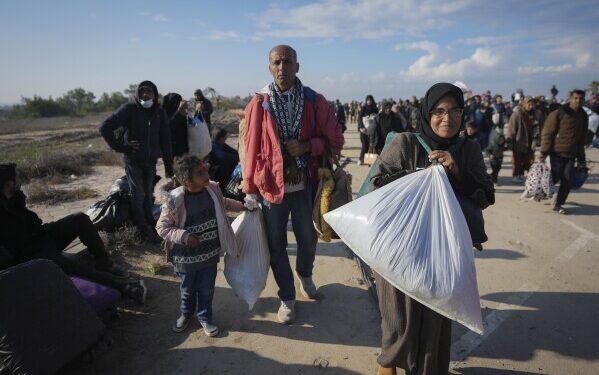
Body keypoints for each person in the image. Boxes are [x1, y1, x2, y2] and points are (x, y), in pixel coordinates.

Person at [369, 83, 494, 375]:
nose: (446, 117)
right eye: (438, 111)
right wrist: (416, 176)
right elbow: (375, 185)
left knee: (435, 321)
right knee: (399, 320)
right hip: (400, 247)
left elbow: (486, 196)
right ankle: (387, 365)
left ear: (463, 115)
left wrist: (456, 173)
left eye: (455, 111)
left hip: (444, 251)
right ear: (426, 113)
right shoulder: (405, 143)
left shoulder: (469, 149)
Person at [242, 45, 344, 324]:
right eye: (276, 62)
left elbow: (336, 141)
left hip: (305, 186)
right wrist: (249, 187)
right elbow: (249, 148)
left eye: (288, 62)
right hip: (272, 189)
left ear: (297, 67)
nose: (282, 68)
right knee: (275, 245)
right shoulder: (258, 104)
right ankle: (287, 296)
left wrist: (308, 146)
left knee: (308, 239)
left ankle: (305, 275)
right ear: (269, 67)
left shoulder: (315, 101)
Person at [0, 163, 147, 303]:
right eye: (17, 177)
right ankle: (124, 287)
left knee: (79, 219)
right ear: (9, 184)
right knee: (70, 266)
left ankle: (104, 263)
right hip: (31, 254)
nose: (20, 180)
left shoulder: (14, 198)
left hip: (42, 237)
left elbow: (33, 224)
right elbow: (14, 247)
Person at [156, 155, 245, 335]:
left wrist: (243, 206)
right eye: (200, 173)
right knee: (188, 290)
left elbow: (224, 203)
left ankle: (205, 318)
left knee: (207, 289)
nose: (206, 174)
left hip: (209, 255)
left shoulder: (212, 190)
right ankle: (186, 314)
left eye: (205, 169)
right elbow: (162, 227)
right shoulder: (174, 201)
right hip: (185, 259)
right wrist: (185, 236)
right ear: (186, 180)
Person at [100, 80, 173, 242]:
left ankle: (150, 224)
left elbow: (166, 140)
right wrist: (121, 147)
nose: (145, 95)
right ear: (137, 94)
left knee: (148, 194)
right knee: (137, 194)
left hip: (151, 161)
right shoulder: (129, 109)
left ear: (155, 94)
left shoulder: (159, 113)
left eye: (148, 92)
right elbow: (104, 127)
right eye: (142, 92)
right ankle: (143, 229)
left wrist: (169, 166)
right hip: (133, 161)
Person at [539, 89, 588, 214]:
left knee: (567, 180)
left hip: (571, 154)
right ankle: (541, 191)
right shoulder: (558, 113)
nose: (578, 101)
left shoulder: (583, 116)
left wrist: (582, 158)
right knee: (554, 178)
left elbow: (581, 139)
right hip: (556, 153)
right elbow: (547, 133)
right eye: (576, 98)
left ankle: (559, 204)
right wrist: (543, 152)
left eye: (581, 98)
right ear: (570, 98)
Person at [507, 96, 535, 184]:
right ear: (524, 103)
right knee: (517, 159)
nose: (530, 106)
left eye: (532, 105)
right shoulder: (517, 114)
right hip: (518, 141)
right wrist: (510, 142)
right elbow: (511, 128)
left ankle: (520, 175)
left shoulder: (531, 114)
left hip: (528, 140)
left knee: (525, 159)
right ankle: (515, 175)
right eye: (529, 104)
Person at [162, 93, 189, 158]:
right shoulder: (163, 114)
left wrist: (198, 112)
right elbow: (169, 126)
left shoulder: (183, 113)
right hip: (171, 149)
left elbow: (195, 124)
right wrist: (179, 112)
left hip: (184, 149)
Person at [358, 95, 378, 165]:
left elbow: (377, 119)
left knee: (371, 145)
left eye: (370, 100)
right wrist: (361, 127)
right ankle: (360, 159)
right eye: (368, 100)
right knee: (364, 145)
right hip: (364, 130)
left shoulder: (375, 108)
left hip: (372, 131)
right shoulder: (363, 108)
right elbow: (360, 118)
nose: (369, 101)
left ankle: (368, 160)